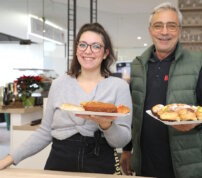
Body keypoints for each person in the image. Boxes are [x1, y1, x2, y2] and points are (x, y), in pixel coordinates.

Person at [0, 23, 132, 174]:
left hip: (100, 163)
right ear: (76, 50)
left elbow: (122, 140)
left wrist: (106, 125)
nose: (88, 51)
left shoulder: (119, 87)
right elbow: (44, 132)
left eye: (96, 46)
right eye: (83, 45)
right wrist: (9, 158)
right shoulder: (59, 84)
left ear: (105, 53)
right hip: (60, 161)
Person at [120, 2, 202, 178]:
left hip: (185, 167)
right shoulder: (138, 65)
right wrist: (127, 149)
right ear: (150, 30)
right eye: (158, 26)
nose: (165, 32)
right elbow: (133, 115)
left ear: (180, 30)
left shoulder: (197, 62)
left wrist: (196, 123)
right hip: (145, 164)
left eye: (171, 26)